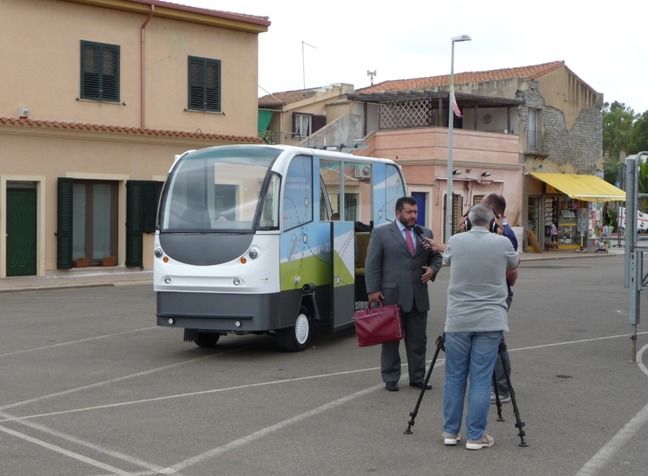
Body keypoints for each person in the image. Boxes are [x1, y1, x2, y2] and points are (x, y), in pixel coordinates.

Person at [425, 204, 519, 450]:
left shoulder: (455, 241)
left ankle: (450, 432)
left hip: (458, 320)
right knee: (480, 378)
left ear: (467, 221)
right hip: (490, 320)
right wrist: (499, 232)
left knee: (455, 377)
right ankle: (476, 436)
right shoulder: (502, 243)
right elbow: (514, 265)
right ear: (491, 222)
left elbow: (445, 259)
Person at [364, 196, 443, 392]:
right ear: (398, 213)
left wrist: (433, 270)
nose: (413, 216)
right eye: (409, 212)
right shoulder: (381, 233)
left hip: (418, 296)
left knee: (418, 341)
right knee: (390, 340)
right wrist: (373, 290)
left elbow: (437, 257)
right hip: (391, 296)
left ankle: (417, 377)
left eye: (415, 212)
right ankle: (391, 378)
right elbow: (372, 264)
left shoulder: (424, 233)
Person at [481, 193, 516, 404]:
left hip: (498, 296)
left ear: (497, 213)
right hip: (494, 295)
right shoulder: (496, 234)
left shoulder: (505, 236)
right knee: (496, 342)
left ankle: (502, 388)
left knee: (495, 343)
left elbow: (511, 272)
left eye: (485, 208)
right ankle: (500, 386)